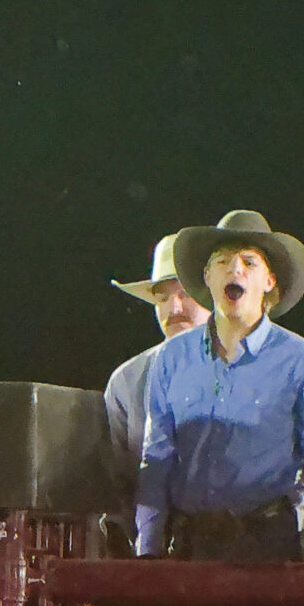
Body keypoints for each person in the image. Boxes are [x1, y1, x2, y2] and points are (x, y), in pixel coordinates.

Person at [133, 210, 304, 563]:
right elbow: (155, 460)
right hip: (190, 545)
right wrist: (149, 550)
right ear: (207, 277)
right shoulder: (171, 358)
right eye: (223, 261)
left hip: (267, 546)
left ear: (269, 281)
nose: (235, 269)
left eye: (249, 262)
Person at [100, 235, 206, 551]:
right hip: (151, 559)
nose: (174, 308)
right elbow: (113, 485)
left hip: (240, 554)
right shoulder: (127, 381)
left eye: (186, 294)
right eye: (162, 298)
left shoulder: (256, 370)